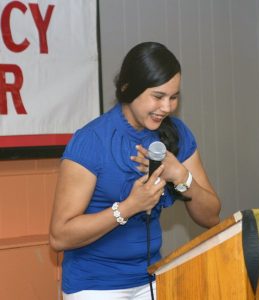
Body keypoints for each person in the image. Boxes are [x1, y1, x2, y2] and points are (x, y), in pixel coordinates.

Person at [49, 41, 221, 300]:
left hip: (151, 280)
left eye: (174, 97)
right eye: (158, 96)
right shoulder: (92, 141)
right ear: (128, 88)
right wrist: (129, 207)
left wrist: (181, 176)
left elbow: (211, 217)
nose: (167, 107)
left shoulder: (177, 135)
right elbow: (59, 237)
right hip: (94, 286)